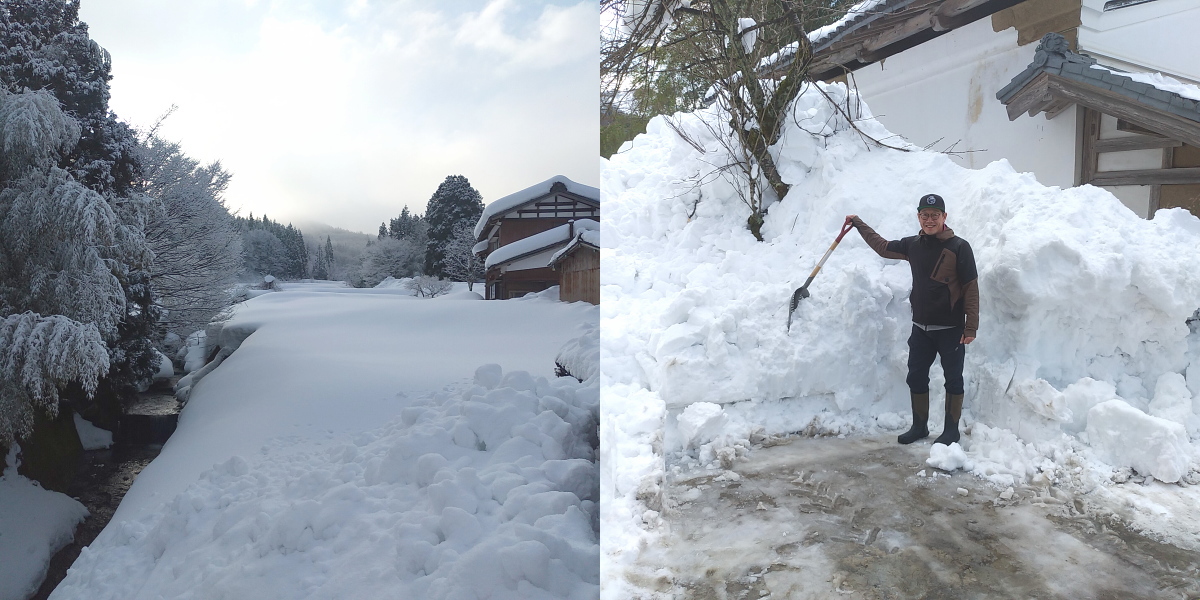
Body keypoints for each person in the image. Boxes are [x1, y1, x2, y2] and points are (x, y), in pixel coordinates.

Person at [845, 193, 979, 445]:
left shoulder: (959, 247)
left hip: (951, 328)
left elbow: (971, 288)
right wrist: (858, 223)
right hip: (921, 328)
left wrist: (971, 325)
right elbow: (883, 247)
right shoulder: (912, 245)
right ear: (919, 217)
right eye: (925, 215)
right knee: (916, 376)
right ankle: (919, 427)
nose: (930, 220)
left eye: (935, 215)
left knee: (953, 378)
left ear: (944, 217)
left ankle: (951, 431)